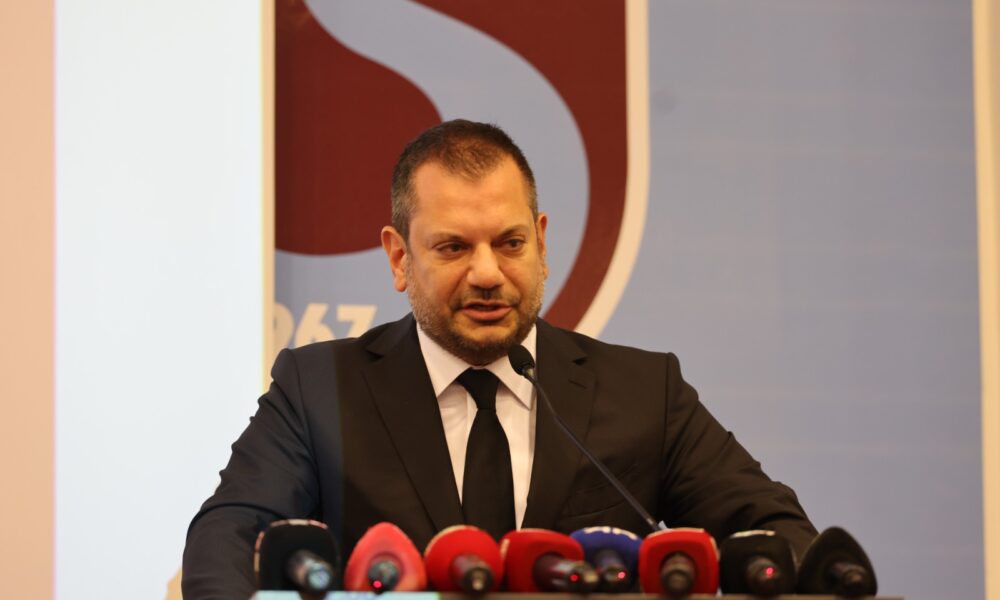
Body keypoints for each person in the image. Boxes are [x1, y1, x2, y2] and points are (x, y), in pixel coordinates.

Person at [182, 120, 816, 598]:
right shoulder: (318, 389)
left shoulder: (646, 392)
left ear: (541, 243)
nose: (488, 274)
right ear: (400, 258)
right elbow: (225, 540)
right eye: (454, 247)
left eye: (510, 243)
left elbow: (779, 535)